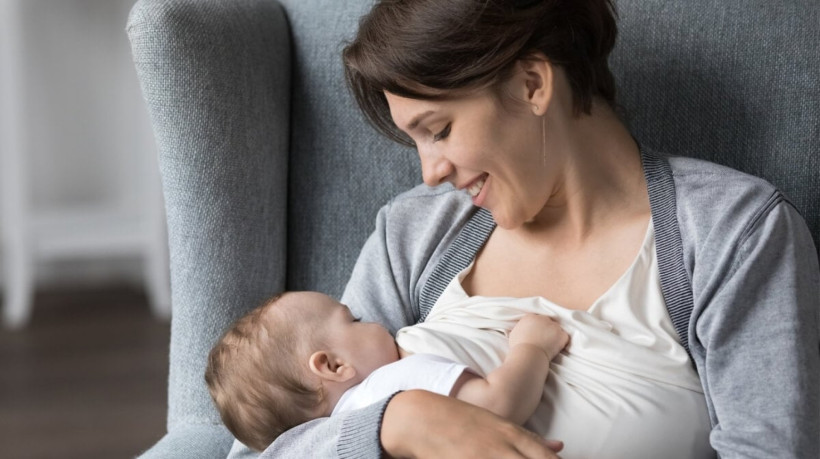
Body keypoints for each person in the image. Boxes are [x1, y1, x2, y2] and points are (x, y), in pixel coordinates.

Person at [236, 0, 819, 457]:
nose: (430, 173)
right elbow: (262, 447)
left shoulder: (730, 233)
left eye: (438, 130)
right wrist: (395, 423)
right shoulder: (418, 232)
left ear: (532, 84)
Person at [206, 291, 568, 452]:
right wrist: (532, 347)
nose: (377, 321)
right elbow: (499, 405)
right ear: (333, 366)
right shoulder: (396, 383)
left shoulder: (345, 434)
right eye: (355, 319)